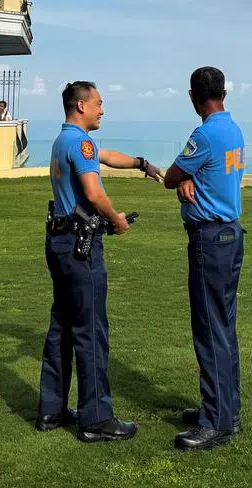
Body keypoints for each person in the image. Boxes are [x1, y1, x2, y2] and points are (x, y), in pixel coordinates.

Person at [37, 80, 165, 443]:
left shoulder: (64, 140)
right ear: (81, 106)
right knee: (91, 330)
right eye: (98, 103)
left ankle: (51, 409)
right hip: (81, 248)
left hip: (58, 243)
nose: (102, 110)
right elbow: (94, 193)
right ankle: (96, 419)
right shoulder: (82, 141)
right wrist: (116, 219)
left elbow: (106, 157)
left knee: (61, 325)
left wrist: (142, 164)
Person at [163, 66, 246, 451]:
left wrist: (182, 178)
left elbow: (171, 175)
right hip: (230, 235)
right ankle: (228, 410)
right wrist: (188, 178)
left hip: (208, 239)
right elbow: (203, 174)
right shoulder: (234, 129)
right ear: (224, 93)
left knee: (210, 329)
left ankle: (215, 422)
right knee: (224, 326)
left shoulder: (205, 133)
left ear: (195, 98)